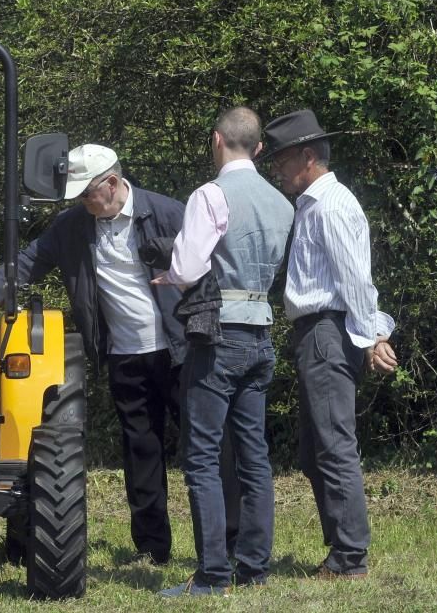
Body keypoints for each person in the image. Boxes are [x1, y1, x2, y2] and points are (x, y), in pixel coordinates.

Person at [0, 143, 186, 564]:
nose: (81, 201)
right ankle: (152, 550)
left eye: (86, 193)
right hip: (125, 357)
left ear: (111, 184)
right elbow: (25, 265)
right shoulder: (72, 226)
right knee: (141, 454)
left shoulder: (170, 213)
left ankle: (226, 547)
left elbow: (207, 271)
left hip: (180, 351)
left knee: (206, 450)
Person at [152, 106, 294, 597]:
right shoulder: (282, 202)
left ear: (216, 140)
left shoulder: (211, 194)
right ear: (257, 148)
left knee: (205, 459)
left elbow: (190, 267)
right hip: (261, 334)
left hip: (218, 336)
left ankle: (213, 574)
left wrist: (169, 274)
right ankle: (253, 568)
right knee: (254, 457)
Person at [263, 109, 397, 580]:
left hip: (327, 333)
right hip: (319, 334)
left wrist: (371, 335)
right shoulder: (315, 202)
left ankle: (349, 556)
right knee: (314, 450)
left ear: (307, 157)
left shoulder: (330, 204)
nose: (276, 170)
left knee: (334, 445)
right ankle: (342, 546)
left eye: (281, 161)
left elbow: (355, 279)